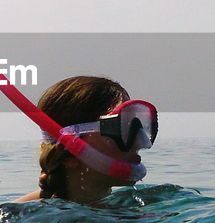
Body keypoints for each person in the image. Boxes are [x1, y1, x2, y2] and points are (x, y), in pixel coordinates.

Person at [12, 75, 155, 205]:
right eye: (122, 129)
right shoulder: (21, 217)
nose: (139, 142)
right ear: (69, 152)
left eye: (136, 126)